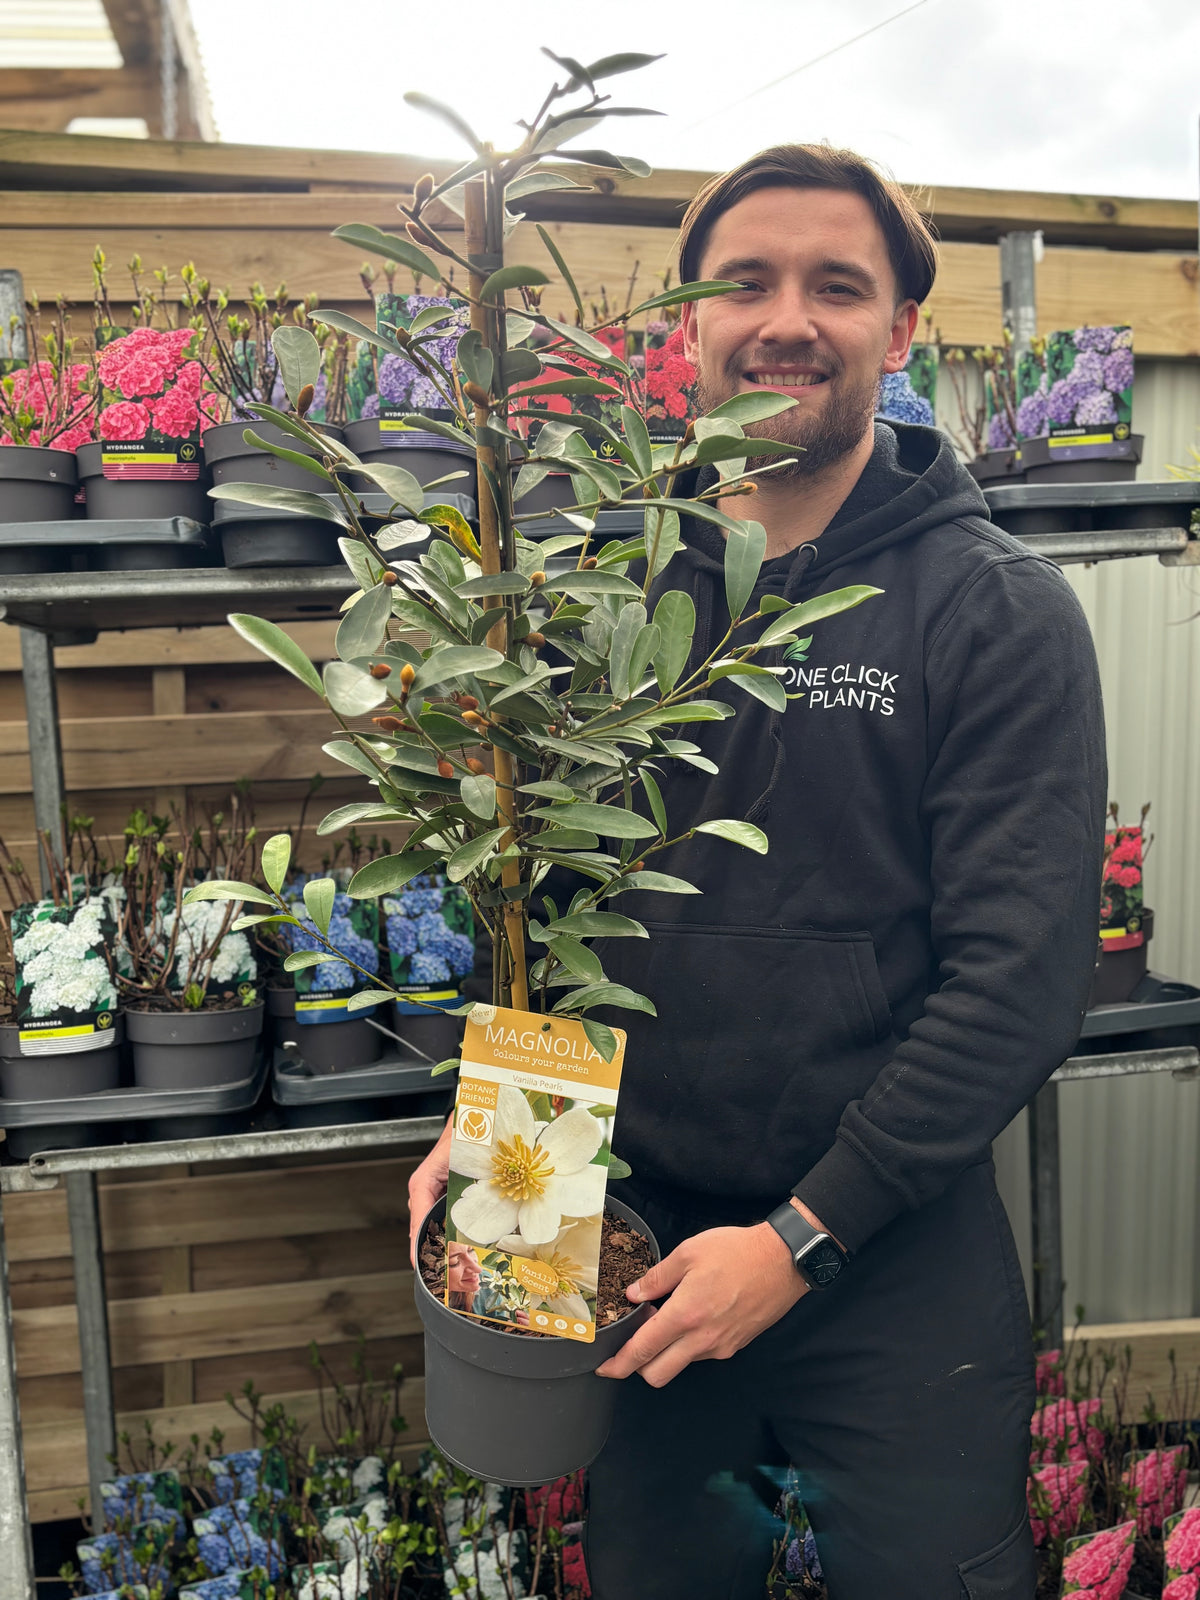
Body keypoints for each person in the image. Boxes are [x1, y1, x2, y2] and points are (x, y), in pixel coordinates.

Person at [410, 143, 1106, 1599]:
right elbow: (537, 905)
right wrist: (496, 1142)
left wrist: (800, 1237)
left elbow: (1019, 984)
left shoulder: (994, 615)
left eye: (837, 287)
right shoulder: (595, 593)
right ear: (691, 322)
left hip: (890, 1261)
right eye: (747, 282)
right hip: (639, 1240)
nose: (788, 317)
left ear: (900, 330)